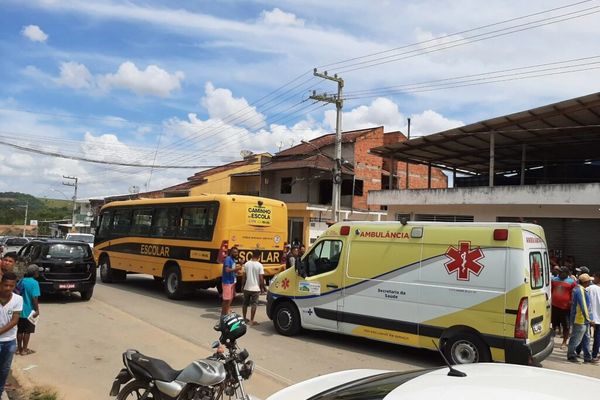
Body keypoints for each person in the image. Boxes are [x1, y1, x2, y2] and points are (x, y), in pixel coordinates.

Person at [0, 272, 23, 396]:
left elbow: (15, 320)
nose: (8, 288)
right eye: (5, 285)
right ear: (1, 283)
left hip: (9, 341)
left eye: (11, 286)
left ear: (14, 286)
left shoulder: (18, 299)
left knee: (4, 369)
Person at [567, 273, 595, 363]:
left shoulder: (581, 289)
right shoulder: (580, 291)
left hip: (584, 320)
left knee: (586, 339)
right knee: (575, 339)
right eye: (589, 281)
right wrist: (589, 320)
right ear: (586, 282)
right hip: (580, 320)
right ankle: (571, 355)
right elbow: (583, 306)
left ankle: (587, 357)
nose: (590, 282)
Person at [16, 265, 40, 356]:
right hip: (29, 311)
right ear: (35, 273)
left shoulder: (22, 280)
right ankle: (24, 350)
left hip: (19, 309)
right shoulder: (34, 283)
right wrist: (36, 310)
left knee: (20, 330)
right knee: (27, 331)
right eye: (37, 271)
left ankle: (19, 349)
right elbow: (34, 298)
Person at [551, 266, 576, 348]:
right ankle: (551, 340)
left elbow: (575, 293)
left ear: (567, 273)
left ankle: (564, 342)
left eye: (562, 272)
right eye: (560, 272)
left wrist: (571, 302)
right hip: (554, 306)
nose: (560, 273)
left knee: (566, 326)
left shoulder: (572, 282)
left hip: (565, 308)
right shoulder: (554, 280)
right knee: (553, 325)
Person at [242, 252, 265, 326]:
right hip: (255, 289)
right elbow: (261, 278)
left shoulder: (246, 264)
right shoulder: (260, 265)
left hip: (247, 287)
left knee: (245, 303)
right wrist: (262, 288)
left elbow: (244, 277)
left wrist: (242, 286)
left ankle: (244, 318)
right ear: (259, 256)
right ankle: (251, 320)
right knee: (254, 305)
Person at [220, 247, 242, 318]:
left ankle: (226, 311)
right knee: (226, 299)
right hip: (227, 282)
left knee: (231, 297)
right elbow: (227, 270)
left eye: (237, 252)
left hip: (232, 281)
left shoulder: (233, 260)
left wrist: (238, 271)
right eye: (234, 252)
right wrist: (237, 269)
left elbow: (233, 270)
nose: (236, 253)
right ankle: (223, 315)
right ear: (231, 252)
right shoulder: (228, 259)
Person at [588, 271, 600, 361]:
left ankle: (579, 352)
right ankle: (594, 355)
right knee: (597, 337)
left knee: (585, 335)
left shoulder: (590, 288)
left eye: (595, 277)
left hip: (589, 316)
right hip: (598, 318)